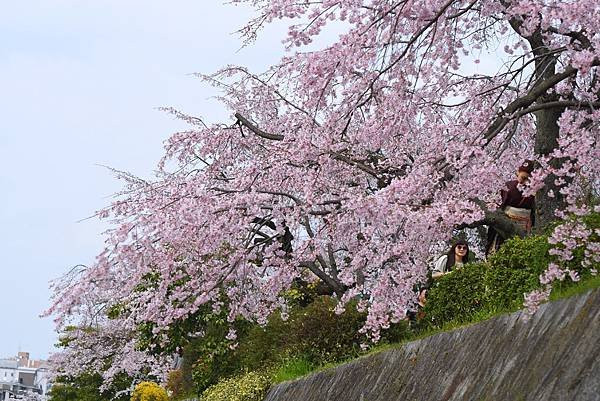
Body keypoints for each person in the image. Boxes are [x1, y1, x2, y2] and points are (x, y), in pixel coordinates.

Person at [485, 160, 536, 255]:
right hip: (506, 222)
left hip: (524, 226)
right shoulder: (508, 186)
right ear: (517, 172)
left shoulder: (534, 189)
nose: (524, 182)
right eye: (523, 178)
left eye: (528, 179)